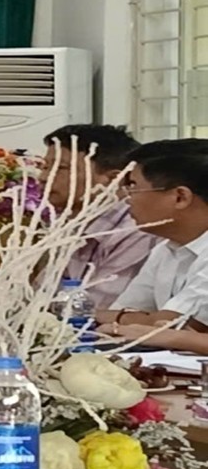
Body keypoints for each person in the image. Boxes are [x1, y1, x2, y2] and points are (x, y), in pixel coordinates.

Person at [96, 139, 208, 330]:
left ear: (180, 197)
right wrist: (133, 319)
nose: (127, 198)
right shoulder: (166, 249)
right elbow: (120, 311)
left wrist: (123, 319)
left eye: (133, 186)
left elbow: (174, 325)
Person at [42, 124, 157, 308]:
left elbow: (94, 309)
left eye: (61, 168)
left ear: (114, 179)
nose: (43, 177)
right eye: (45, 167)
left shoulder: (136, 229)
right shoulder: (69, 221)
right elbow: (38, 295)